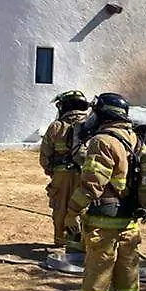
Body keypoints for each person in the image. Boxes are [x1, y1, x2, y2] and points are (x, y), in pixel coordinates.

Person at [62, 92, 144, 291]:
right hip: (130, 217)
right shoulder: (135, 139)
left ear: (103, 115)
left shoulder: (103, 141)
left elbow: (92, 185)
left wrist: (72, 212)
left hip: (104, 217)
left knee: (100, 263)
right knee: (127, 263)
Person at [39, 90, 90, 248]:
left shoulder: (56, 127)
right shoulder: (92, 125)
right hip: (87, 174)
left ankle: (61, 242)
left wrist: (52, 170)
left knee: (60, 209)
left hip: (61, 176)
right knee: (83, 206)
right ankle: (82, 243)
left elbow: (45, 157)